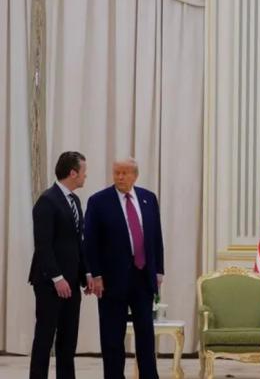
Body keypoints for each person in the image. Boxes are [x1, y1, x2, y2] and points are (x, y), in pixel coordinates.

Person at [84, 158, 164, 379]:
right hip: (111, 281)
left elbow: (156, 237)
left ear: (135, 175)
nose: (119, 177)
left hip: (143, 278)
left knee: (145, 335)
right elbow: (90, 242)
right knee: (112, 337)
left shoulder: (148, 198)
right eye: (116, 172)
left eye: (125, 173)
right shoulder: (99, 201)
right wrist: (96, 274)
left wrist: (159, 270)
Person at [28, 151, 92, 379]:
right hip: (49, 283)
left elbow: (78, 243)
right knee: (45, 338)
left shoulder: (75, 200)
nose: (86, 176)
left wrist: (86, 274)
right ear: (73, 173)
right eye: (84, 171)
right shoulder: (47, 201)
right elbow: (43, 245)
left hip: (72, 282)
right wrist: (57, 278)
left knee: (68, 340)